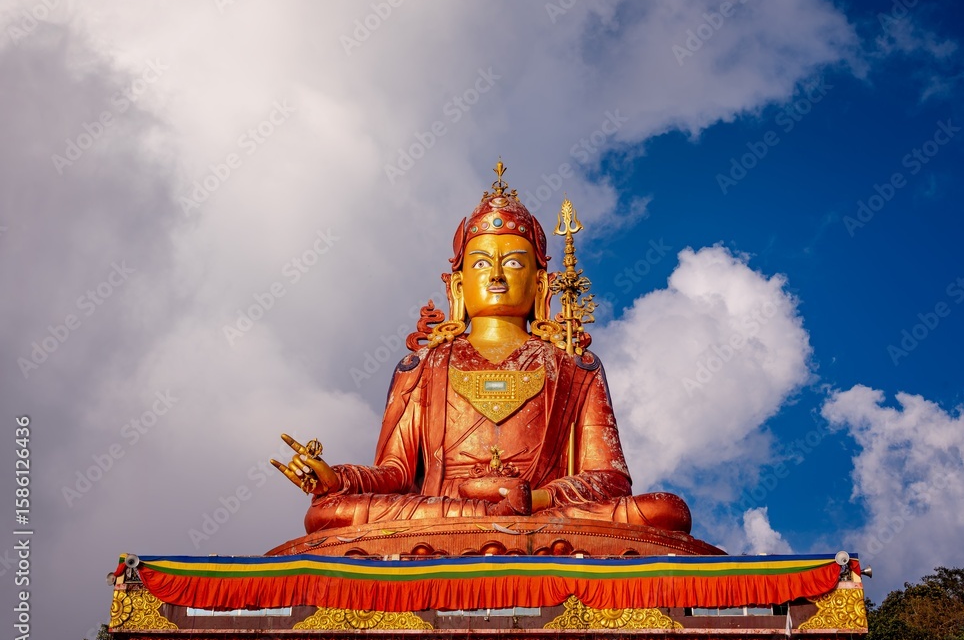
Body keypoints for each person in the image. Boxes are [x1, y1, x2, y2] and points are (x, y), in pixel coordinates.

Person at [272, 165, 691, 535]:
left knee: (665, 511)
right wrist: (337, 480)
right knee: (328, 512)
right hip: (442, 511)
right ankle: (487, 521)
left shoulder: (572, 366)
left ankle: (503, 520)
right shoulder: (423, 366)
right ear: (458, 286)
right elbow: (396, 473)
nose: (495, 276)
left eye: (513, 263)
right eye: (480, 263)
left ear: (541, 285)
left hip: (540, 511)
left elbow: (609, 479)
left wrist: (536, 498)